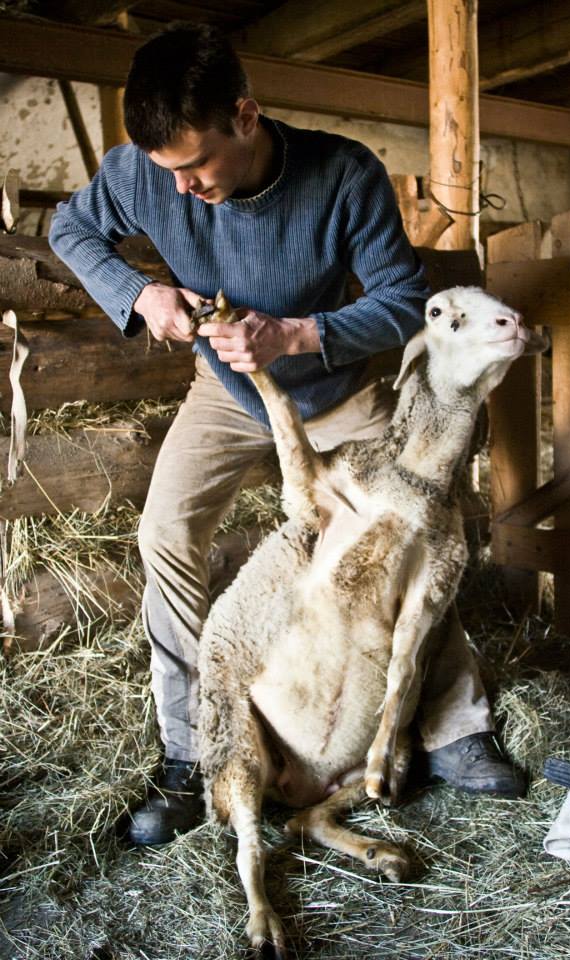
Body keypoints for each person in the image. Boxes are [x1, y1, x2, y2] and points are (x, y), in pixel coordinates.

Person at [49, 22, 524, 846]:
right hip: (229, 395)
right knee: (165, 531)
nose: (186, 188)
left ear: (245, 115)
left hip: (338, 392)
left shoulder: (344, 174)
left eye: (197, 166)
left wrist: (296, 335)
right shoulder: (140, 172)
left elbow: (401, 298)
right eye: (171, 175)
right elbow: (70, 229)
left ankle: (455, 728)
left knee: (418, 530)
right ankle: (193, 752)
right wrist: (139, 295)